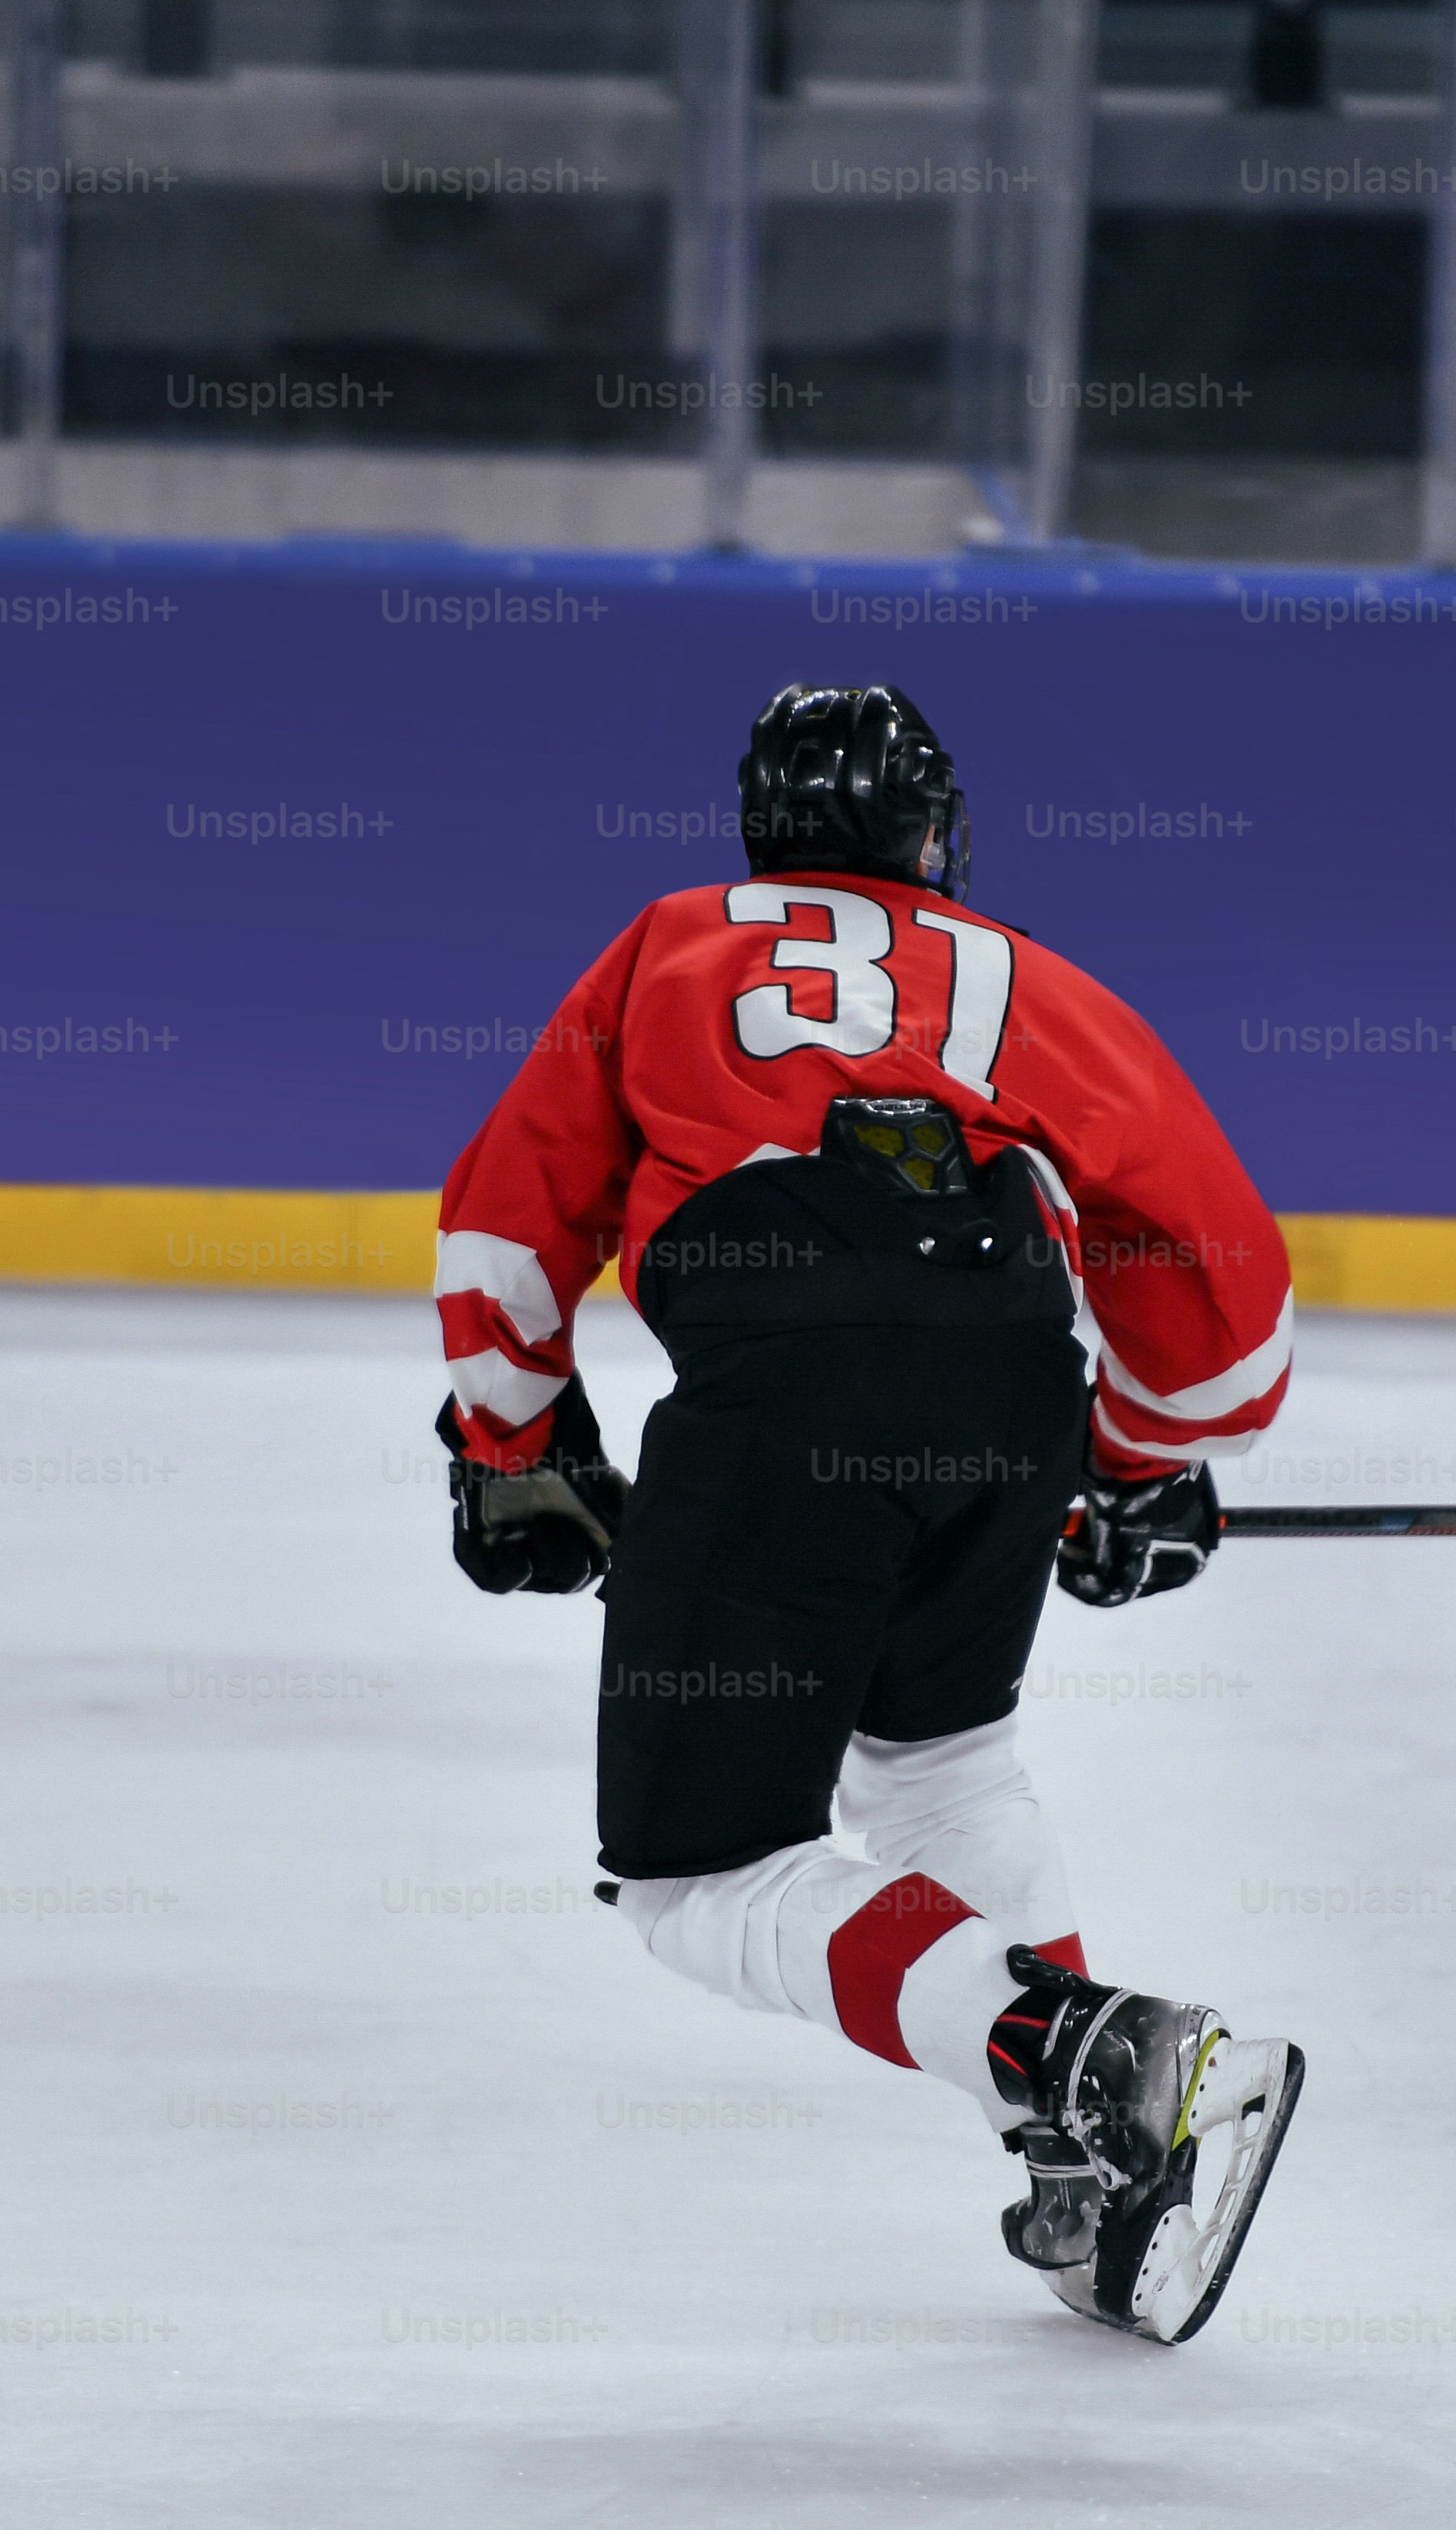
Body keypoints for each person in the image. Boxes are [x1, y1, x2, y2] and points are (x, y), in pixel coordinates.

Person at [429, 682, 1303, 2344]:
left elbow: (506, 1215)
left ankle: (1081, 2050)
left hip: (783, 1388)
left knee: (698, 1874)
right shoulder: (1023, 972)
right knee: (940, 1758)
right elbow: (1218, 1275)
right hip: (1010, 1382)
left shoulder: (670, 943)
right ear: (933, 834)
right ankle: (1101, 2152)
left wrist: (515, 1436)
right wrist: (1132, 1461)